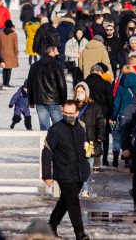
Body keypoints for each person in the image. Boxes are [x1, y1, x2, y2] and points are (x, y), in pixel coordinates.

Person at [41, 100, 91, 240]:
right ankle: (80, 233)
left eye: (71, 113)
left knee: (65, 200)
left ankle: (51, 225)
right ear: (62, 110)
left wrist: (91, 150)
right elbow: (47, 152)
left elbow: (88, 145)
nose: (68, 115)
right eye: (65, 112)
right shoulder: (55, 130)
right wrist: (46, 175)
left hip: (80, 171)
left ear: (77, 113)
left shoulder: (82, 126)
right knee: (73, 202)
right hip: (64, 172)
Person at [73, 82, 106, 199]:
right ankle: (84, 189)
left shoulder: (94, 106)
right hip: (75, 141)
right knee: (77, 165)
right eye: (78, 92)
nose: (80, 94)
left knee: (89, 166)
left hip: (90, 141)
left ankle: (83, 186)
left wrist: (100, 134)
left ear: (86, 92)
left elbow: (100, 122)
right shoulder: (72, 105)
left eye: (82, 92)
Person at [28, 45, 68, 130]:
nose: (58, 53)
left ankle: (46, 143)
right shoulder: (56, 66)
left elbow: (30, 84)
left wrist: (31, 101)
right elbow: (62, 85)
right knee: (59, 127)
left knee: (44, 128)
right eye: (56, 51)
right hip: (55, 101)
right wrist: (64, 102)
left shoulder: (34, 66)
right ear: (51, 52)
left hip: (40, 100)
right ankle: (58, 143)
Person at [0, 20, 19, 88]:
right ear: (11, 26)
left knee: (4, 68)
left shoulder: (0, 33)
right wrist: (16, 53)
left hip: (2, 53)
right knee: (9, 69)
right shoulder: (14, 34)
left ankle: (4, 84)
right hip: (11, 54)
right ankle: (7, 84)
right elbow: (15, 45)